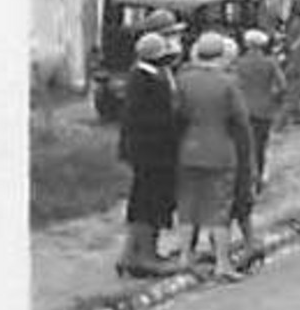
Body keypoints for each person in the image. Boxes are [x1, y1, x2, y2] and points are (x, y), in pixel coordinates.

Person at [174, 32, 254, 282]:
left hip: (188, 148)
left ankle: (185, 256)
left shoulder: (183, 79)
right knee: (219, 207)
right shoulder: (227, 82)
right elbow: (241, 120)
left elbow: (178, 113)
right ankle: (222, 263)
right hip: (220, 148)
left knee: (187, 205)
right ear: (221, 54)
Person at [115, 32, 182, 278]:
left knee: (142, 201)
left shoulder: (142, 76)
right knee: (150, 204)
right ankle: (145, 256)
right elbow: (154, 118)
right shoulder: (147, 81)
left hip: (147, 152)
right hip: (153, 153)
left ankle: (130, 254)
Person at [233, 29, 286, 194]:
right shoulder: (270, 62)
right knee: (260, 147)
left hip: (243, 109)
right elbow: (283, 85)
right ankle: (259, 180)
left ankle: (244, 180)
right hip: (264, 109)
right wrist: (274, 98)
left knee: (243, 147)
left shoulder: (239, 63)